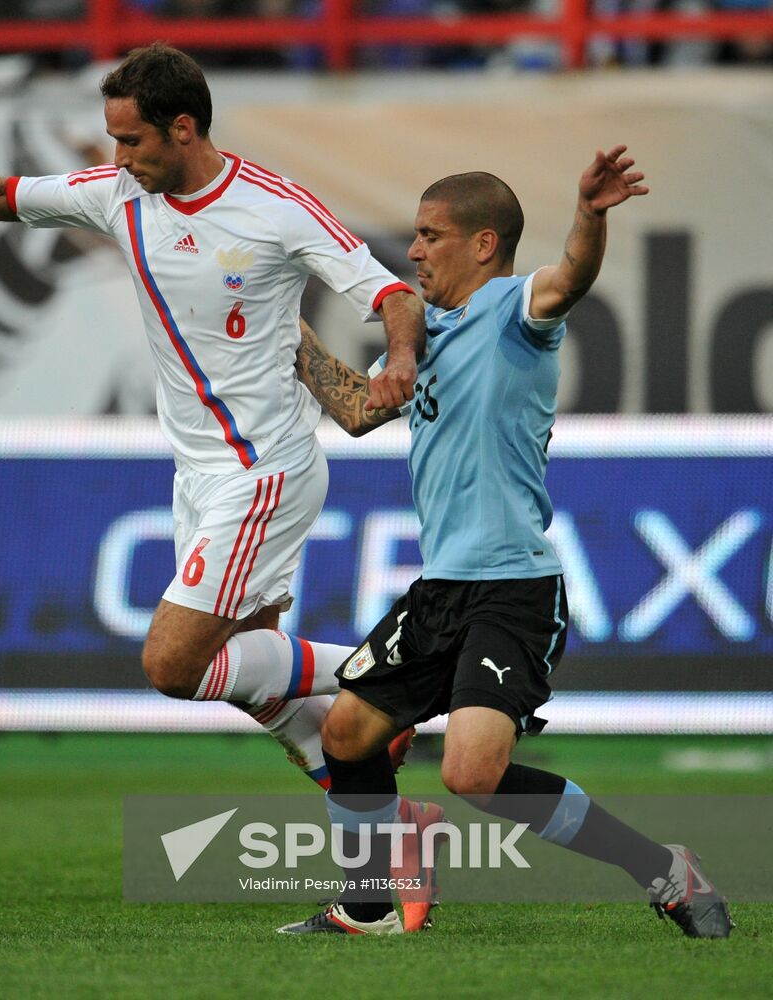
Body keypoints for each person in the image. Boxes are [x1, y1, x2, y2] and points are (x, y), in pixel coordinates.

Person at [0, 42, 441, 923]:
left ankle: (397, 677)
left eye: (131, 141)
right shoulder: (119, 196)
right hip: (196, 477)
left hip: (263, 473)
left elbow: (391, 291)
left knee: (175, 666)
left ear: (183, 127)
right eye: (110, 141)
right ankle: (381, 863)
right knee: (274, 702)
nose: (116, 158)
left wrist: (397, 359)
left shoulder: (274, 207)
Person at [279, 146, 734, 939]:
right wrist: (281, 334)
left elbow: (570, 277)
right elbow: (355, 411)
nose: (413, 251)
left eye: (429, 234)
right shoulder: (422, 336)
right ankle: (367, 907)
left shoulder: (516, 312)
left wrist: (588, 216)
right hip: (439, 589)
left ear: (482, 244)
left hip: (512, 588)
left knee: (471, 774)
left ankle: (664, 868)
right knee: (346, 733)